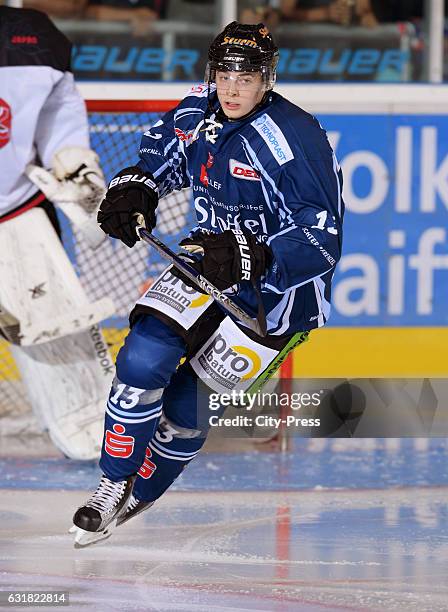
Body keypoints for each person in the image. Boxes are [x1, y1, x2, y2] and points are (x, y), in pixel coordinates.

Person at [71, 21, 344, 546]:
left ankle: (144, 492)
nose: (234, 87)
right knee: (141, 361)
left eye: (248, 76)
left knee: (186, 408)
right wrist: (137, 189)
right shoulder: (200, 107)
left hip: (274, 301)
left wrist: (255, 257)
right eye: (225, 73)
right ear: (212, 73)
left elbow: (322, 239)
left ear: (268, 78)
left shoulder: (296, 138)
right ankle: (110, 484)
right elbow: (161, 158)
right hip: (203, 265)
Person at [0, 6, 111, 460]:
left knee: (83, 422)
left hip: (17, 212)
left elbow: (60, 122)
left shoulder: (33, 38)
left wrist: (74, 164)